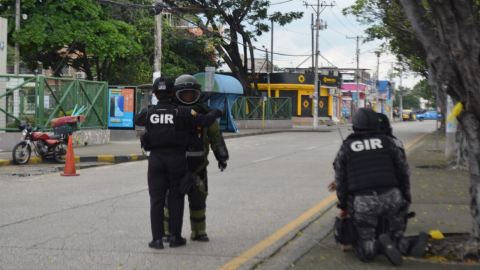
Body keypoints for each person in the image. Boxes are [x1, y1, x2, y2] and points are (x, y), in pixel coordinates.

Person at [134, 76, 222, 250]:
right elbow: (203, 121)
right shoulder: (182, 111)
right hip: (176, 159)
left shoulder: (149, 111)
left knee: (157, 200)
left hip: (156, 161)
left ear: (156, 94)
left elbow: (137, 121)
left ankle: (157, 240)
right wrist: (215, 112)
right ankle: (176, 238)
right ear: (173, 93)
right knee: (176, 197)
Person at [333, 108, 427, 266]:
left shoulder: (347, 148)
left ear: (355, 127)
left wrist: (344, 204)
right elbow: (404, 172)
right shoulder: (389, 142)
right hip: (392, 197)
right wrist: (405, 197)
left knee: (364, 250)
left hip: (364, 202)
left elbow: (341, 182)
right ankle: (407, 244)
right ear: (378, 126)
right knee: (396, 234)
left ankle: (377, 246)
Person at [162, 75, 229, 243]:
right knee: (171, 202)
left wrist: (222, 157)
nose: (189, 96)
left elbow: (216, 137)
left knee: (199, 200)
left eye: (191, 93)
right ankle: (168, 233)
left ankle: (199, 232)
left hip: (199, 167)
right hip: (174, 167)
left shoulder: (205, 115)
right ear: (177, 94)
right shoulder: (169, 113)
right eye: (185, 94)